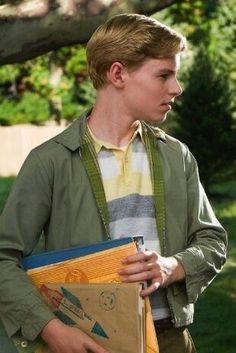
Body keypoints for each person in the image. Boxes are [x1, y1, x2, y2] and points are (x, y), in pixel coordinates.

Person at [0, 13, 227, 353]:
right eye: (164, 75)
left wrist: (172, 266)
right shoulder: (50, 161)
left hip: (171, 340)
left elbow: (213, 241)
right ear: (118, 73)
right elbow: (4, 257)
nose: (177, 88)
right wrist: (51, 330)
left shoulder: (177, 156)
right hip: (87, 342)